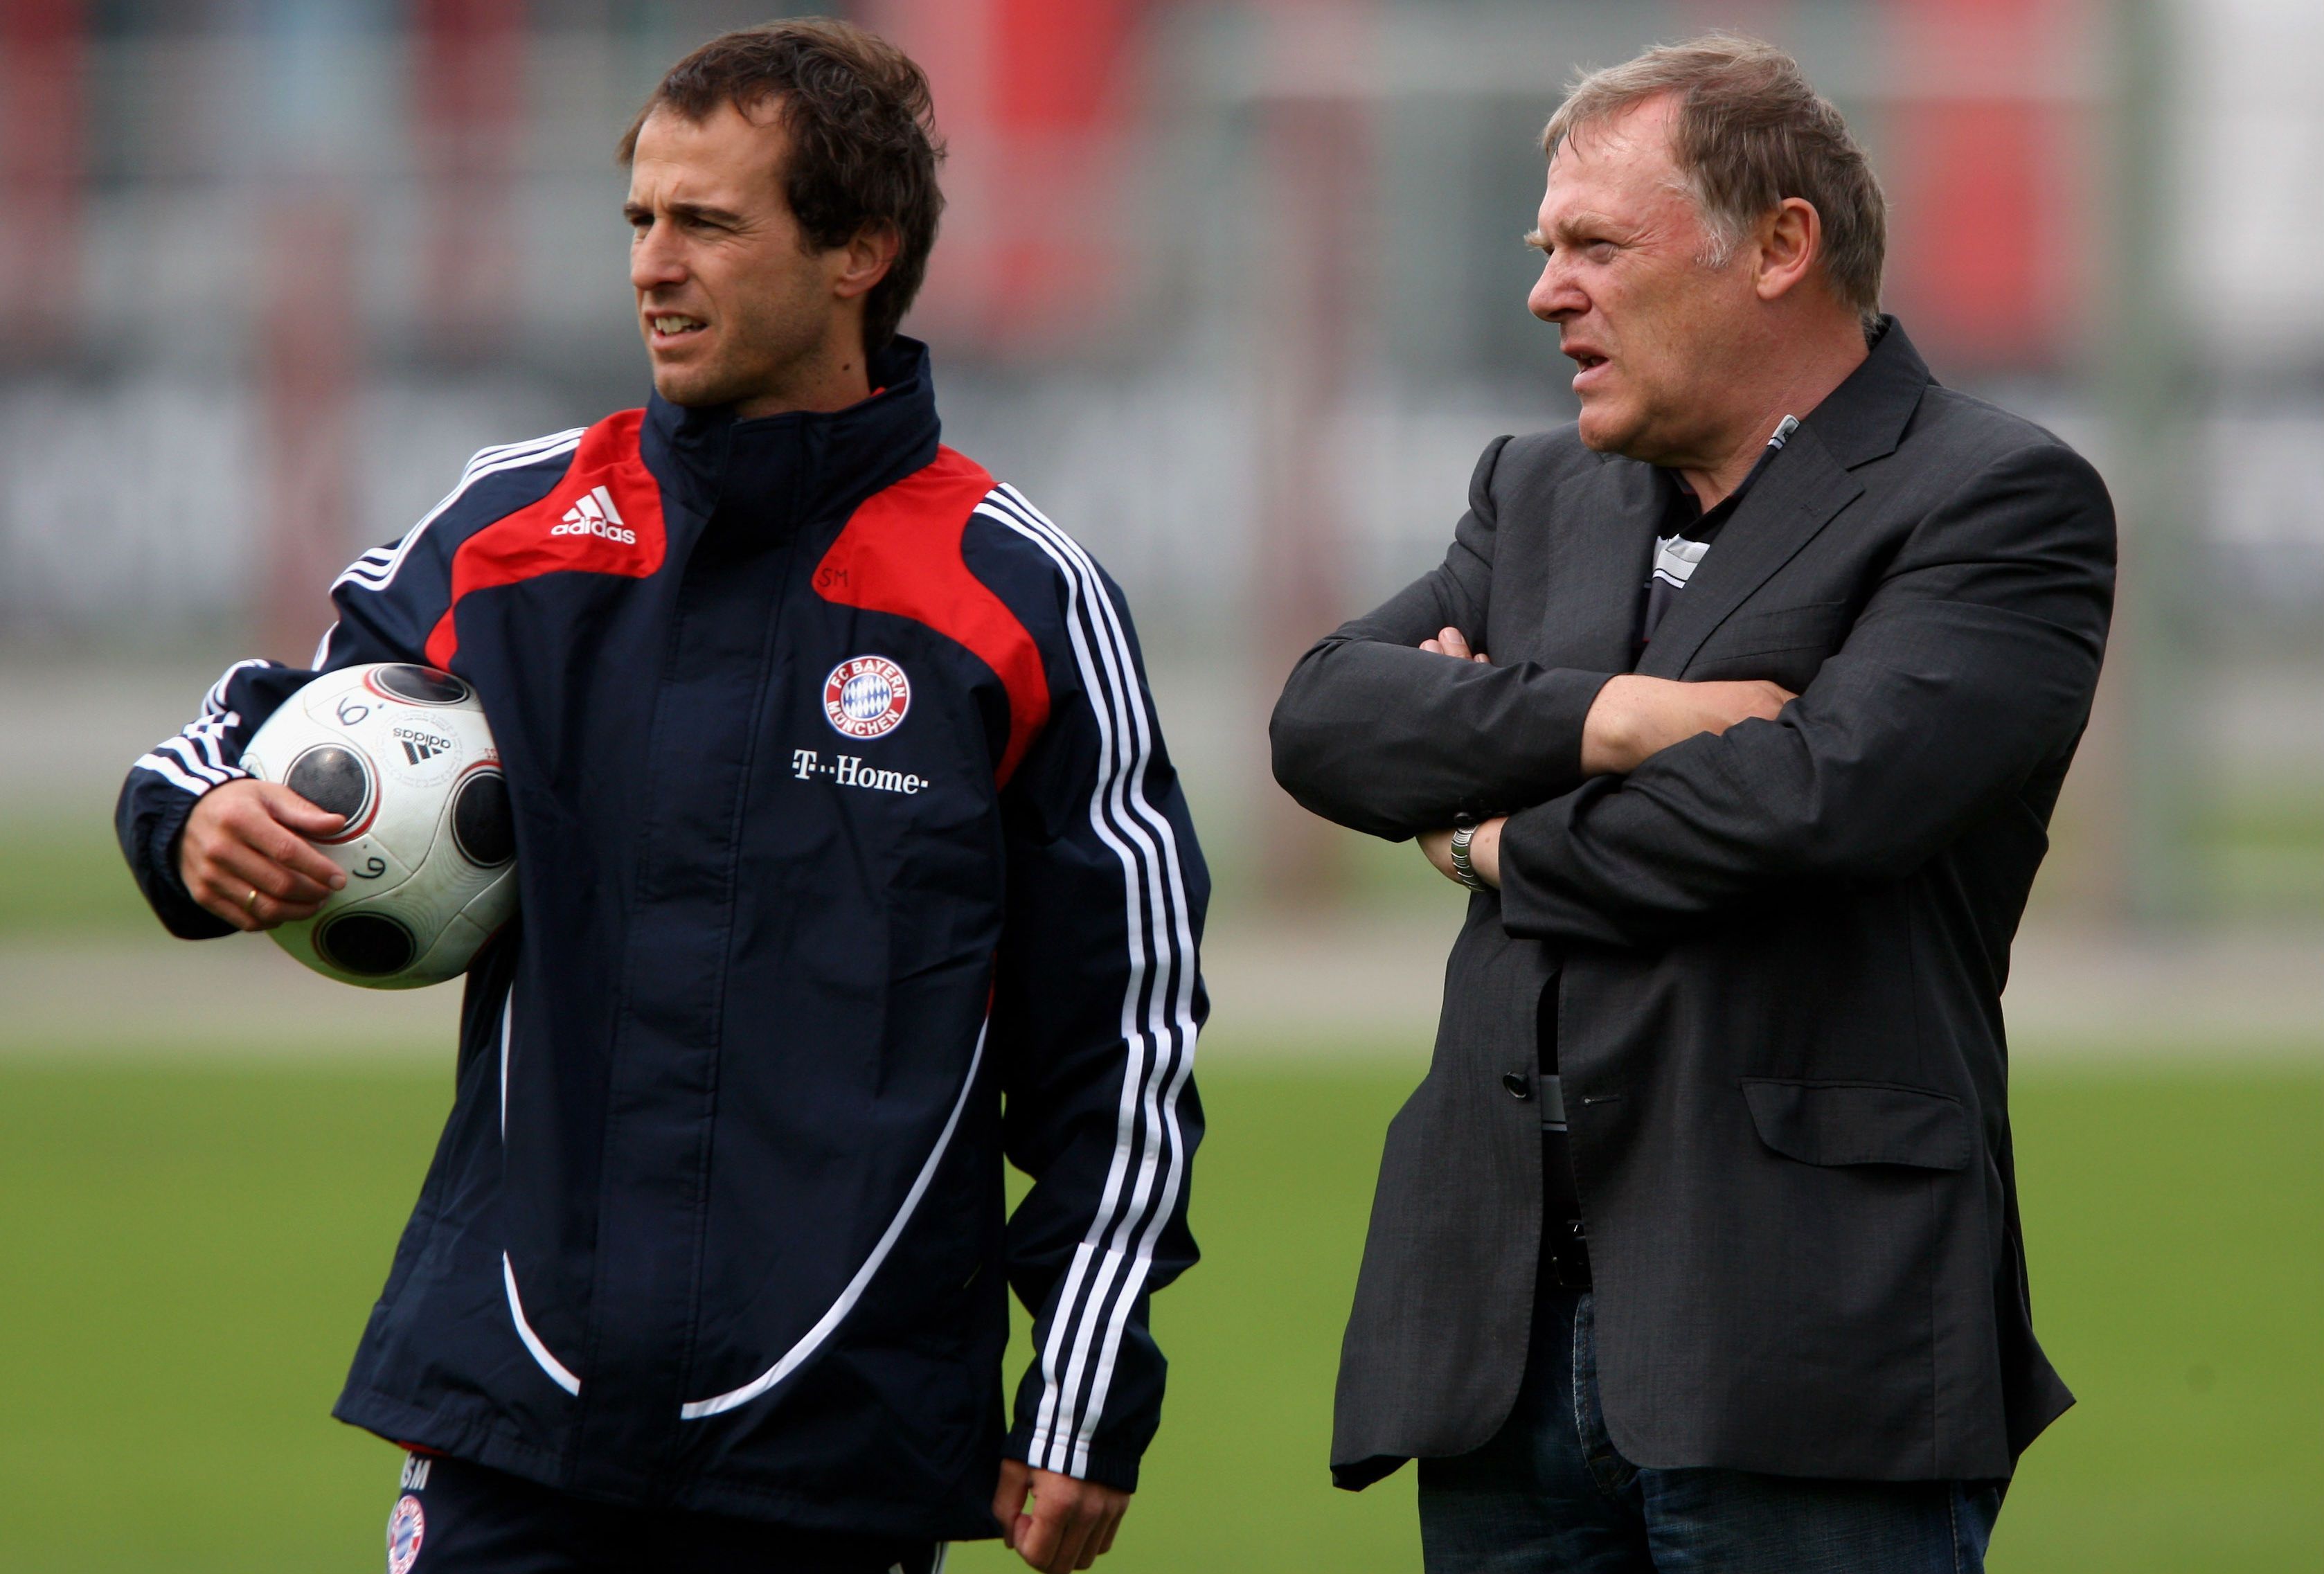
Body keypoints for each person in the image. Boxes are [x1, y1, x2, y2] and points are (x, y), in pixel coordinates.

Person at [116, 21, 1204, 1574]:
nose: (652, 264)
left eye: (706, 222)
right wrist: (204, 826)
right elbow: (228, 735)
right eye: (638, 218)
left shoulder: (1015, 601)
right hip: (510, 1417)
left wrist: (1086, 1389)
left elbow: (1125, 1044)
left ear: (858, 254)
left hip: (832, 1450)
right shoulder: (515, 527)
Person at [1270, 35, 2111, 1574]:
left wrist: (1490, 834)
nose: (1546, 293)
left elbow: (1811, 800)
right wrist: (1609, 718)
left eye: (1594, 246)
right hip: (1494, 1346)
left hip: (1800, 1338)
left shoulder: (1996, 497)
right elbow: (1325, 715)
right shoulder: (1534, 491)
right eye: (1546, 250)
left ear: (1780, 246)